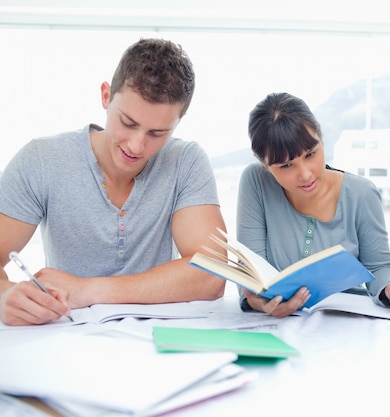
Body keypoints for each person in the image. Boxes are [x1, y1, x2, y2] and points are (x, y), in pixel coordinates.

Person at [0, 38, 228, 326]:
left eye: (157, 133)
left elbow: (213, 274)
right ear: (106, 96)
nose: (136, 145)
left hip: (158, 338)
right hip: (65, 336)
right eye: (128, 122)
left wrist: (89, 290)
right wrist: (5, 296)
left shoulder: (186, 161)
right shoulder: (41, 160)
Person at [237, 92, 390, 318]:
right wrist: (261, 302)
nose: (305, 174)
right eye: (286, 166)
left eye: (311, 154)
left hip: (346, 324)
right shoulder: (255, 182)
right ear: (263, 164)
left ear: (321, 135)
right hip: (277, 325)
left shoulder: (361, 194)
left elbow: (379, 267)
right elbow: (252, 273)